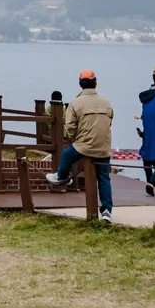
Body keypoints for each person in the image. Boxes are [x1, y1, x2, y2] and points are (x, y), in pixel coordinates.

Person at [44, 70, 114, 221]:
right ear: (96, 83)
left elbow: (69, 127)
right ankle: (107, 211)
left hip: (84, 145)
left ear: (80, 84)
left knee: (66, 154)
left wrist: (76, 138)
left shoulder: (76, 102)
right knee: (104, 178)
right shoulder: (106, 102)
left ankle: (62, 177)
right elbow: (110, 121)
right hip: (104, 147)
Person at [138, 68, 155, 197]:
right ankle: (151, 182)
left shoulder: (146, 97)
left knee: (147, 157)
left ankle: (149, 180)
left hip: (148, 134)